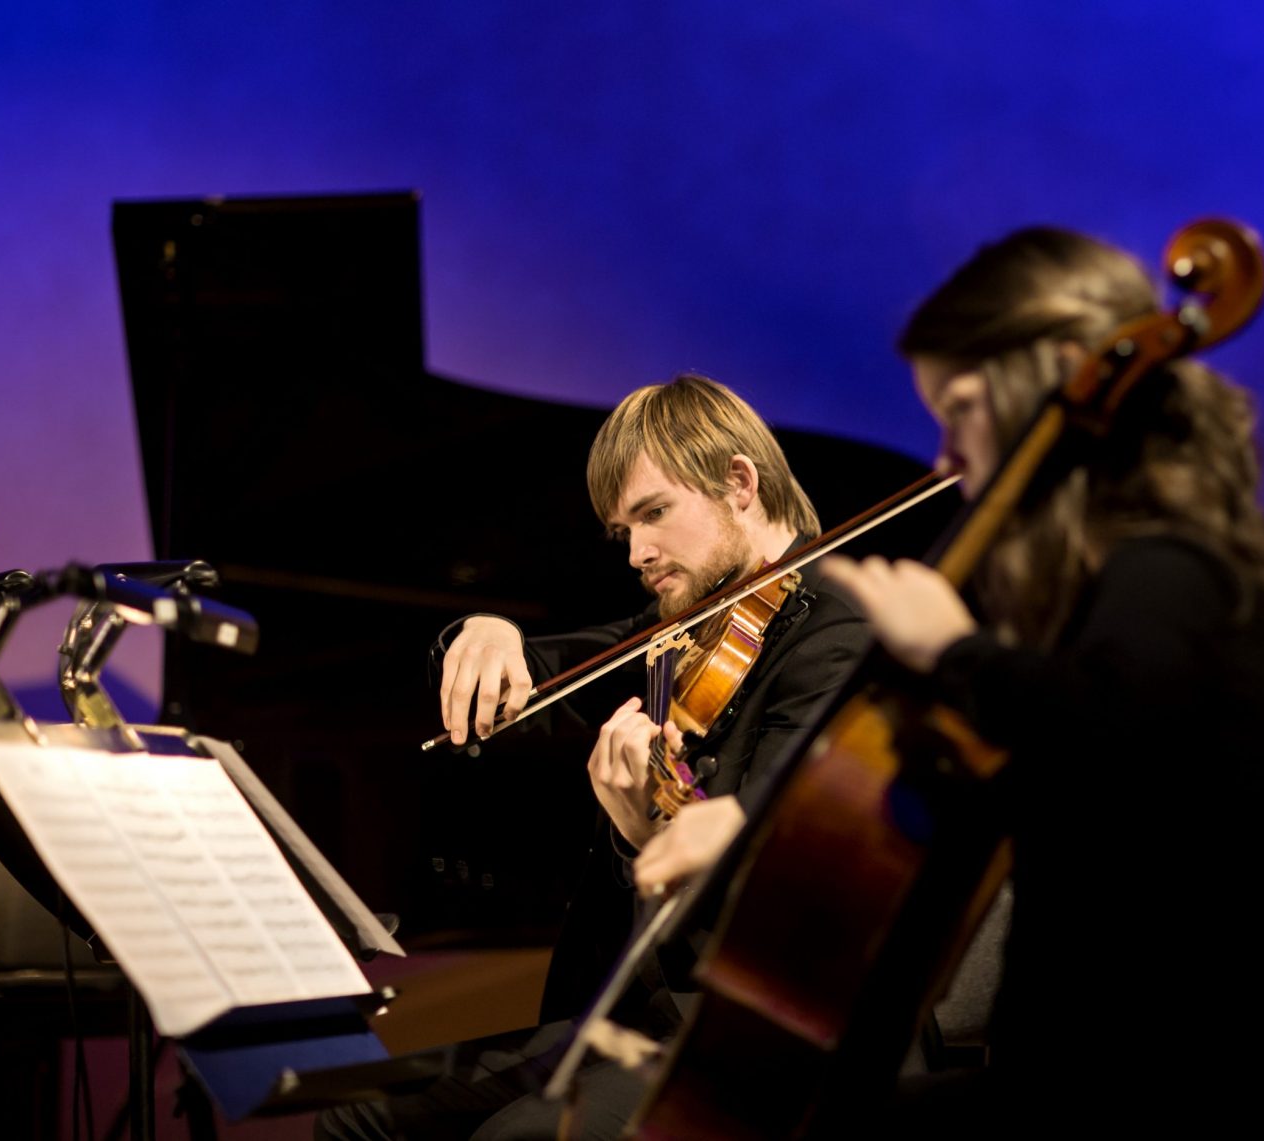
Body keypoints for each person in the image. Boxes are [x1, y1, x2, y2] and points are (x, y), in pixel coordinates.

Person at [635, 226, 1264, 1136]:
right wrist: (759, 819)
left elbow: (1118, 750)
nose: (944, 459)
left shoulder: (1174, 574)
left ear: (1056, 376)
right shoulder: (1099, 594)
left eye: (958, 408)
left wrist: (954, 655)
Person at [317, 374, 870, 1141]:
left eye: (654, 514)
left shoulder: (837, 636)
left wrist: (649, 837)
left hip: (749, 1029)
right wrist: (487, 629)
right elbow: (554, 662)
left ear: (739, 482)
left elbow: (785, 890)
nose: (638, 552)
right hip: (636, 1016)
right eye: (625, 530)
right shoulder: (694, 622)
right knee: (355, 1123)